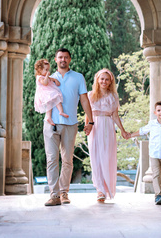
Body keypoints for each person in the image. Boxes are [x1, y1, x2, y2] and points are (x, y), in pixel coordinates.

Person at [43, 48, 95, 207]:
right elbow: (43, 97)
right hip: (51, 124)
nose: (63, 60)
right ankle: (54, 195)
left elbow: (85, 100)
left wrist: (90, 121)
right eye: (60, 57)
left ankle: (64, 192)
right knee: (52, 159)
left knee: (67, 160)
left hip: (70, 123)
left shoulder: (78, 77)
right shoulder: (49, 78)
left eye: (65, 57)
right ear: (55, 59)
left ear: (70, 59)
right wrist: (48, 115)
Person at [85, 68, 129, 203]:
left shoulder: (113, 96)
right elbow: (88, 113)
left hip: (108, 127)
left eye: (107, 79)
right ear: (97, 80)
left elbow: (115, 115)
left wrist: (122, 130)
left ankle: (106, 187)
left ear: (110, 82)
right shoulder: (90, 95)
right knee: (95, 157)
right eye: (102, 79)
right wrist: (87, 126)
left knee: (106, 157)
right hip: (95, 127)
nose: (104, 81)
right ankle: (100, 190)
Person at [130, 101, 161, 205]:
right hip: (154, 153)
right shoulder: (152, 124)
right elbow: (142, 131)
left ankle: (158, 194)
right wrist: (130, 135)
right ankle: (158, 195)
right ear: (155, 112)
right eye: (159, 110)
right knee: (155, 174)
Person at [33, 59, 69, 126]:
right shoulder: (40, 77)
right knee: (54, 98)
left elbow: (52, 80)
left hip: (49, 93)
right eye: (46, 70)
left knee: (53, 101)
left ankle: (59, 112)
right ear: (40, 70)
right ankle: (50, 116)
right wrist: (47, 76)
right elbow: (45, 83)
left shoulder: (46, 76)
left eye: (48, 69)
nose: (48, 71)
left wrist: (55, 80)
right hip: (44, 93)